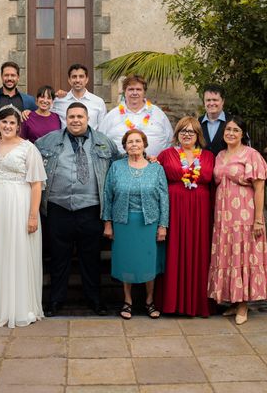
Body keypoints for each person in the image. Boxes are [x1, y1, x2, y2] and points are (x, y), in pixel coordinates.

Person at [36, 102, 121, 317]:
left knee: (90, 258)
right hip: (58, 208)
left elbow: (118, 169)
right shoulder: (47, 141)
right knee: (58, 258)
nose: (75, 120)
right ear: (66, 118)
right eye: (71, 116)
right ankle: (55, 301)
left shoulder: (104, 142)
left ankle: (95, 301)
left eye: (79, 117)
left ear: (87, 118)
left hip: (91, 209)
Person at [0, 105, 47, 328]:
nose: (7, 126)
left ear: (18, 126)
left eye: (12, 122)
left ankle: (19, 307)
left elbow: (36, 185)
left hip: (20, 204)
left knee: (17, 252)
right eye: (3, 122)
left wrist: (33, 216)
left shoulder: (28, 149)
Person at [207, 116, 267, 325]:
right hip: (223, 217)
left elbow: (260, 188)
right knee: (228, 256)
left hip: (244, 214)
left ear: (243, 133)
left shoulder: (251, 155)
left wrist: (258, 220)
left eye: (235, 130)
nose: (231, 133)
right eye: (228, 130)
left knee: (243, 256)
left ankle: (244, 305)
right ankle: (233, 301)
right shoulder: (219, 155)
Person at [102, 129, 168, 320]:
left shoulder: (156, 168)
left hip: (149, 223)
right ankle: (128, 301)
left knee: (149, 262)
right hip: (123, 222)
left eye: (138, 141)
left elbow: (164, 198)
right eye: (130, 142)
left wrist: (163, 225)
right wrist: (108, 223)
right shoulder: (116, 167)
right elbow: (108, 195)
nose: (134, 145)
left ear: (144, 144)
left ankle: (149, 301)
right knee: (127, 262)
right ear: (124, 146)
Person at [156, 117, 214, 317]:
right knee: (173, 251)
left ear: (198, 135)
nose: (187, 134)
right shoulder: (166, 155)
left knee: (198, 250)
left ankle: (197, 303)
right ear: (177, 134)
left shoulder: (208, 157)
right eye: (183, 131)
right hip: (174, 209)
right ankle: (172, 303)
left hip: (201, 211)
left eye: (191, 131)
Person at [99, 75, 173, 157]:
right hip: (120, 167)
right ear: (124, 92)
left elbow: (170, 140)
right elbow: (100, 141)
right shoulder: (112, 116)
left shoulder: (159, 114)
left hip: (154, 166)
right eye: (131, 89)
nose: (135, 93)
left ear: (144, 92)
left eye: (138, 89)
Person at [52, 64, 107, 129]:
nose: (77, 80)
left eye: (81, 76)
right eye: (74, 77)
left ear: (86, 79)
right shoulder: (58, 101)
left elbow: (103, 129)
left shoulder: (98, 102)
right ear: (69, 80)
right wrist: (53, 95)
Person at [200, 84, 227, 157]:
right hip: (201, 167)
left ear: (223, 101)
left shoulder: (232, 122)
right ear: (204, 102)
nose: (211, 103)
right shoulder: (197, 123)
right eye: (208, 100)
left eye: (215, 100)